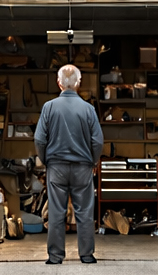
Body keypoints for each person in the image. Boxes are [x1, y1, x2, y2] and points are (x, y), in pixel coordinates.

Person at [34, 64, 104, 265]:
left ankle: (55, 257)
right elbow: (98, 141)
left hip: (56, 168)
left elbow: (39, 140)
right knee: (84, 211)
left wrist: (47, 160)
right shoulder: (88, 109)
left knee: (56, 211)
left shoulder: (48, 107)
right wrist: (93, 160)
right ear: (78, 84)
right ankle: (87, 255)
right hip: (83, 167)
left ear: (59, 83)